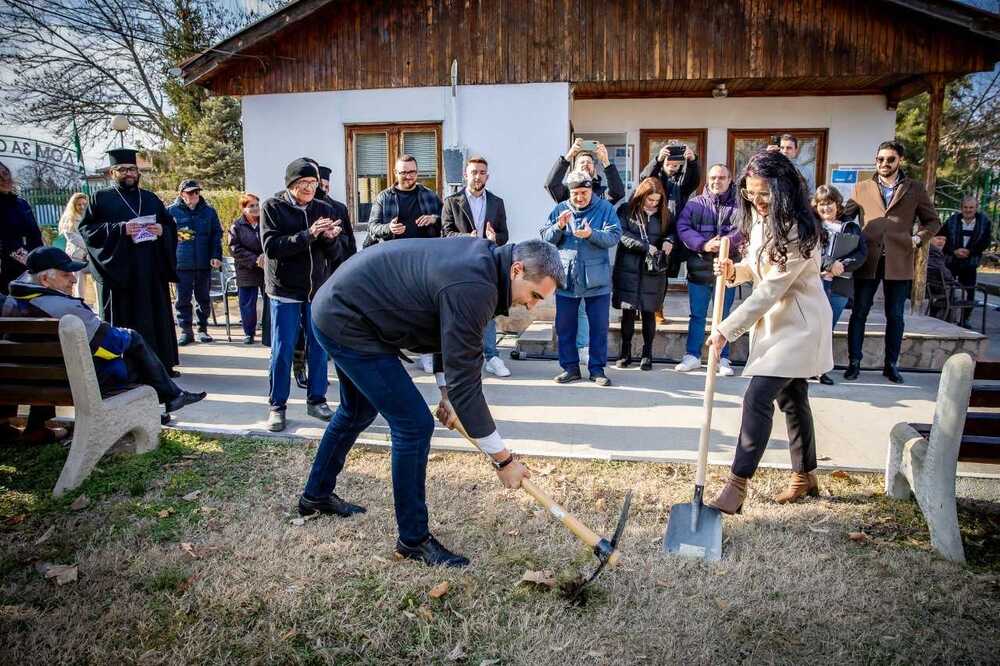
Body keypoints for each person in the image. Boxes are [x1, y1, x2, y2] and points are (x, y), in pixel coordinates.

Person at [303, 237, 562, 567]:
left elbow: (444, 331)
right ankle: (413, 540)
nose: (531, 306)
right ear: (516, 270)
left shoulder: (481, 269)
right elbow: (466, 386)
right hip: (346, 318)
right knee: (413, 425)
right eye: (535, 295)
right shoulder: (475, 285)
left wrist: (445, 395)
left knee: (358, 410)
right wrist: (503, 460)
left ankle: (315, 496)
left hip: (346, 307)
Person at [706, 150, 832, 513]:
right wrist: (735, 271)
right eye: (750, 193)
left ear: (783, 190)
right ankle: (805, 476)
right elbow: (757, 267)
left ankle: (736, 486)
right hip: (779, 325)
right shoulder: (762, 221)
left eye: (765, 194)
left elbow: (771, 288)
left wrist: (727, 330)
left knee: (757, 398)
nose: (757, 201)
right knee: (793, 400)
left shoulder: (798, 229)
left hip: (801, 327)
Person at [2, 248, 205, 423]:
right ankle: (158, 404)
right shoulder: (63, 308)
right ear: (45, 279)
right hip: (74, 383)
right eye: (66, 274)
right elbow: (110, 345)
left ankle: (36, 428)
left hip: (28, 382)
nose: (74, 279)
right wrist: (126, 335)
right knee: (132, 351)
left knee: (50, 362)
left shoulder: (11, 303)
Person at [260, 158, 353, 432]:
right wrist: (309, 234)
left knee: (319, 348)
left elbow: (335, 255)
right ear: (290, 185)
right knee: (283, 350)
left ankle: (317, 400)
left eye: (313, 183)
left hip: (316, 291)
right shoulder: (273, 207)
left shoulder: (323, 208)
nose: (309, 189)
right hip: (285, 291)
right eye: (303, 184)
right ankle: (277, 406)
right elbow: (271, 247)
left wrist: (331, 239)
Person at [842, 140, 940, 384]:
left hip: (899, 259)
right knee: (859, 313)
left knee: (895, 316)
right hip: (868, 260)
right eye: (880, 159)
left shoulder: (914, 188)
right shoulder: (862, 187)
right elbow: (845, 218)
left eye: (890, 159)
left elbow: (933, 222)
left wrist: (917, 239)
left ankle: (891, 365)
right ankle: (854, 363)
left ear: (900, 161)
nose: (884, 164)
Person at [79, 148, 180, 375]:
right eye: (122, 169)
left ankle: (160, 365)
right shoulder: (101, 198)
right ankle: (127, 367)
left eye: (132, 169)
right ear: (113, 172)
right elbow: (86, 230)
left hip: (150, 271)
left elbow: (170, 225)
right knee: (124, 321)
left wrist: (162, 229)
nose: (129, 173)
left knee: (155, 318)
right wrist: (120, 229)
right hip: (119, 272)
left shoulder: (151, 198)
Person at [545, 139, 625, 364]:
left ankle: (594, 363)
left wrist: (606, 161)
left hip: (593, 273)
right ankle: (571, 364)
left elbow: (617, 192)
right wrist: (568, 155)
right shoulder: (563, 200)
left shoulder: (602, 200)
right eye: (582, 162)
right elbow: (551, 185)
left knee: (596, 323)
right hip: (569, 273)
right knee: (567, 324)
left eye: (590, 163)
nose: (586, 165)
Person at [365, 154, 443, 374]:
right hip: (393, 264)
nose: (408, 176)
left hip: (424, 264)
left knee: (427, 312)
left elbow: (446, 223)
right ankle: (392, 355)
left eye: (412, 172)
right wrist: (388, 228)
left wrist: (434, 219)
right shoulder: (384, 197)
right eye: (403, 172)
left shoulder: (429, 196)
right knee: (391, 312)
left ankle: (427, 354)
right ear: (395, 173)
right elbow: (372, 228)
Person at [442, 156, 511, 377]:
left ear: (487, 176)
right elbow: (445, 233)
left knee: (488, 310)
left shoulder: (497, 202)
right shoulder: (452, 202)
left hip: (487, 263)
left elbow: (504, 235)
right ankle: (463, 357)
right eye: (473, 172)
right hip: (460, 264)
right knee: (460, 312)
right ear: (466, 175)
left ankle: (492, 357)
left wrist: (494, 237)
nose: (477, 176)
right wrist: (466, 237)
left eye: (482, 172)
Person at [675, 164, 742, 376]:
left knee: (723, 316)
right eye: (713, 177)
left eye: (722, 177)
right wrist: (704, 244)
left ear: (730, 179)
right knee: (697, 315)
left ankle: (722, 358)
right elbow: (683, 228)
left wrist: (724, 243)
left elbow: (744, 229)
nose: (717, 181)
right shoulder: (695, 204)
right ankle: (692, 355)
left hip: (727, 270)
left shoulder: (740, 206)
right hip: (699, 269)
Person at [612, 177, 674, 371]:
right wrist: (647, 247)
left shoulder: (666, 214)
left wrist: (669, 241)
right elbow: (622, 235)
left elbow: (673, 232)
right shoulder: (626, 210)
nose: (653, 204)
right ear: (641, 196)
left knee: (649, 313)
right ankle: (625, 352)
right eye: (650, 200)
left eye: (657, 201)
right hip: (628, 269)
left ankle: (647, 354)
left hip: (653, 271)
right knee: (628, 313)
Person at [812, 185, 867, 385]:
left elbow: (861, 254)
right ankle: (808, 367)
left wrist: (841, 265)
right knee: (814, 327)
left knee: (828, 329)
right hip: (815, 283)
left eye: (829, 203)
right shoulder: (812, 226)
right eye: (821, 204)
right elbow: (808, 250)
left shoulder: (851, 226)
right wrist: (828, 264)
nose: (826, 208)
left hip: (839, 285)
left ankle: (821, 369)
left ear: (838, 204)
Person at [167, 180, 223, 346]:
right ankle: (185, 330)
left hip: (204, 263)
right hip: (181, 263)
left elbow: (216, 235)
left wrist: (216, 255)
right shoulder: (171, 211)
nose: (194, 196)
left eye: (196, 192)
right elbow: (165, 237)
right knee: (182, 299)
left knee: (203, 297)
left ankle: (202, 329)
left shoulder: (209, 212)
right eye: (190, 192)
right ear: (182, 194)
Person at [942, 196, 993, 327]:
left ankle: (965, 319)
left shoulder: (984, 222)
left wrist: (969, 251)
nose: (968, 210)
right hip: (952, 261)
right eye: (965, 207)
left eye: (971, 207)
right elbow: (942, 237)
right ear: (961, 208)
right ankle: (945, 314)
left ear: (976, 208)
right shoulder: (952, 220)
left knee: (969, 290)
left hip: (970, 262)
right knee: (947, 287)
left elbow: (985, 242)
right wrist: (954, 251)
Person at [228, 193, 270, 345]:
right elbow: (234, 249)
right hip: (246, 269)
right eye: (251, 206)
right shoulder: (236, 226)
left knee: (270, 301)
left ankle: (269, 332)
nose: (255, 208)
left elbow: (272, 239)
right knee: (247, 303)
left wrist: (265, 257)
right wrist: (255, 259)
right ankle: (249, 333)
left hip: (266, 268)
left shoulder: (266, 222)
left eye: (257, 205)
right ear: (243, 208)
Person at [0, 160, 43, 295]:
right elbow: (4, 241)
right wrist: (26, 258)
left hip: (29, 266)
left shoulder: (21, 203)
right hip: (5, 269)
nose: (5, 179)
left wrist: (40, 258)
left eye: (5, 173)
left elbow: (35, 235)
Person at [639, 143, 701, 218]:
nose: (671, 168)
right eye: (668, 164)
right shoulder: (656, 178)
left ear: (680, 165)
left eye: (675, 165)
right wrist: (658, 160)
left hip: (676, 224)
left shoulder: (683, 182)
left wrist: (692, 161)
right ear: (663, 164)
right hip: (656, 222)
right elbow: (645, 179)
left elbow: (694, 181)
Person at [55, 192, 92, 301]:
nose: (82, 207)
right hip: (76, 254)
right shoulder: (69, 218)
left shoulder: (89, 216)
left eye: (84, 204)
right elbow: (72, 237)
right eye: (79, 204)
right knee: (79, 283)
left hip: (90, 254)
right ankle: (80, 304)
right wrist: (90, 246)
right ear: (73, 205)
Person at [927, 230, 961, 322]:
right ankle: (951, 322)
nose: (941, 242)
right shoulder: (933, 253)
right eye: (938, 238)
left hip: (935, 285)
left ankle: (942, 318)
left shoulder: (935, 252)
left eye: (944, 240)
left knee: (954, 294)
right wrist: (953, 281)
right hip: (936, 286)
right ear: (930, 239)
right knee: (959, 293)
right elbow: (943, 272)